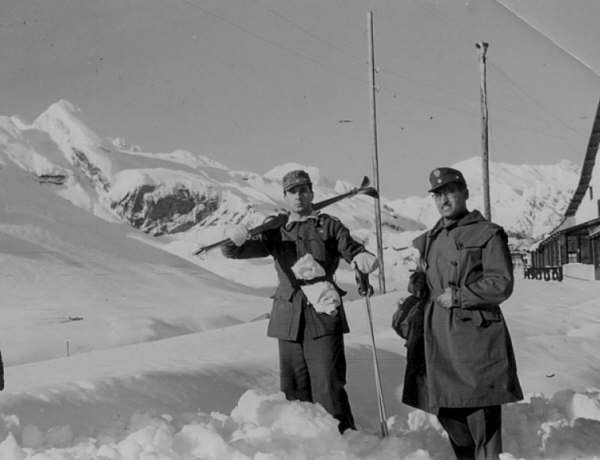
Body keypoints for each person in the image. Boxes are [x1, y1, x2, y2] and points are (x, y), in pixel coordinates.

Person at [221, 169, 378, 432]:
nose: (299, 196)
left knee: (328, 384)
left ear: (312, 193)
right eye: (292, 191)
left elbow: (349, 247)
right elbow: (235, 252)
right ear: (284, 196)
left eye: (303, 190)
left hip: (322, 314)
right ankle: (304, 444)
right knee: (293, 387)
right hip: (289, 317)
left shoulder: (328, 225)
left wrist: (361, 257)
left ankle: (345, 442)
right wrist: (232, 240)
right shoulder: (275, 230)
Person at [403, 167, 523, 460]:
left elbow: (501, 282)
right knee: (448, 413)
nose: (444, 200)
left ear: (465, 193)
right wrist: (419, 281)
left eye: (450, 192)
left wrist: (460, 295)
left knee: (481, 419)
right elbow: (433, 277)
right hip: (438, 338)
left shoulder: (487, 234)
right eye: (438, 195)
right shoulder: (431, 237)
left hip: (474, 341)